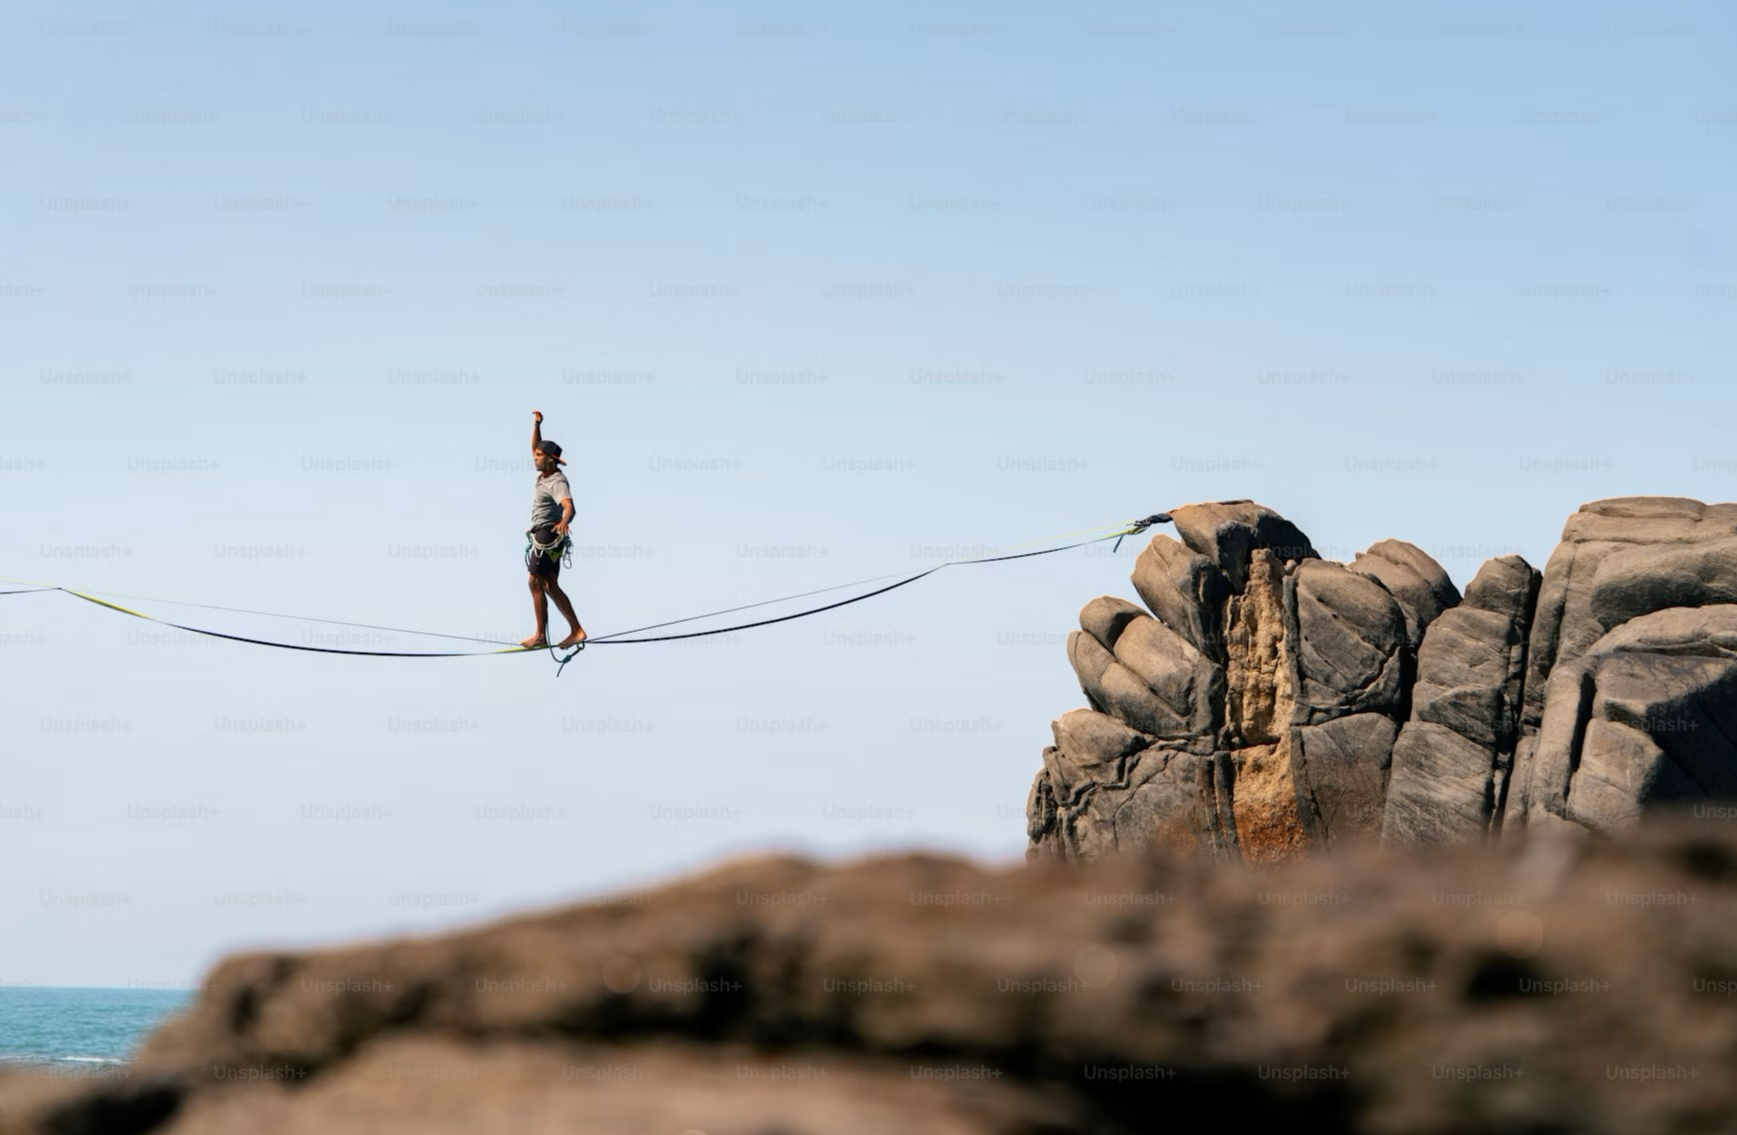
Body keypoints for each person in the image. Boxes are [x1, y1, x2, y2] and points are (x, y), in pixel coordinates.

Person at [522, 411, 586, 649]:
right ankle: (576, 630)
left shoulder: (556, 481)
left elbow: (569, 506)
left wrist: (565, 520)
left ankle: (540, 636)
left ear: (550, 459)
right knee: (548, 584)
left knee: (535, 582)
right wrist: (536, 425)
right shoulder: (543, 474)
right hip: (549, 537)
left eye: (539, 456)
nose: (534, 458)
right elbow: (533, 447)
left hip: (548, 536)